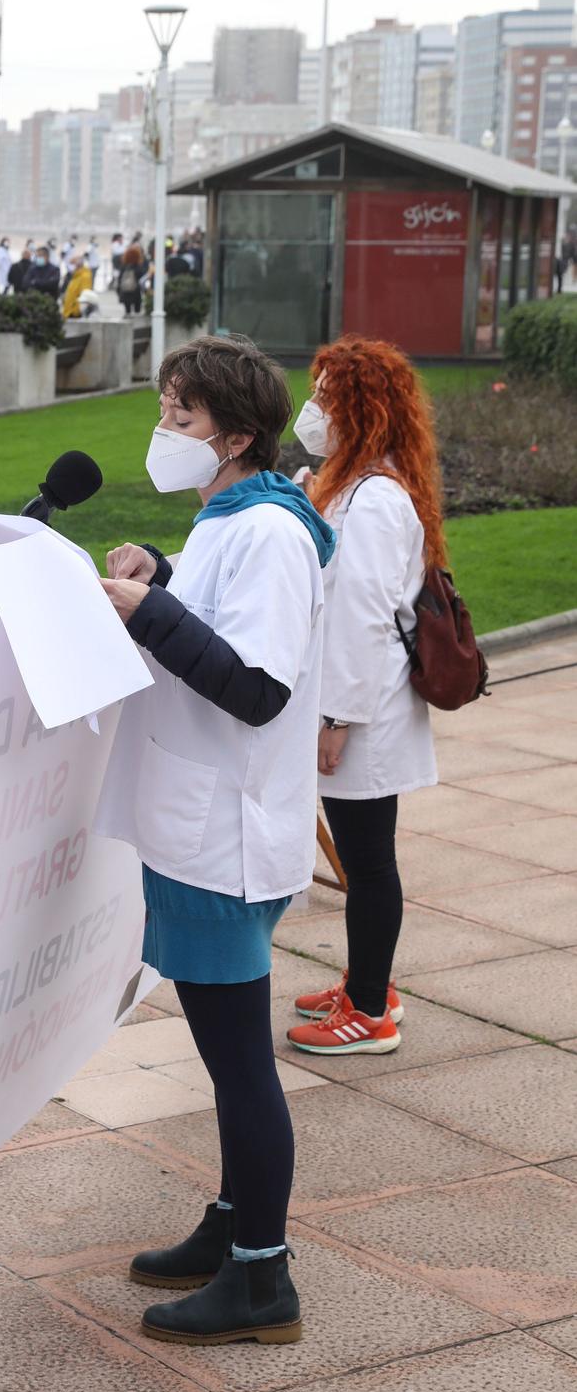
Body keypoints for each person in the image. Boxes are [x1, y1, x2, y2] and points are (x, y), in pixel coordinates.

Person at [98, 335, 335, 1347]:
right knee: (223, 1051)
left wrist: (149, 611)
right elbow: (214, 612)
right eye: (163, 411)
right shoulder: (229, 518)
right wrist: (162, 575)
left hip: (226, 834)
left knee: (239, 1061)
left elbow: (254, 684)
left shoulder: (272, 533)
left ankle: (259, 1274)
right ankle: (237, 1218)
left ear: (236, 435)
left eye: (181, 417)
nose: (164, 432)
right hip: (202, 825)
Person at [285, 337, 444, 1055]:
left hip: (363, 710)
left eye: (324, 395)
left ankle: (369, 1011)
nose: (312, 409)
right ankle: (365, 984)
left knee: (368, 861)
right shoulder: (356, 484)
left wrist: (335, 718)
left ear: (358, 407)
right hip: (358, 704)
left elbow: (359, 616)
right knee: (365, 855)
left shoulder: (375, 499)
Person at [116, 237, 145, 316]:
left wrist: (119, 291)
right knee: (137, 312)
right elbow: (141, 277)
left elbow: (119, 279)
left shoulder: (124, 266)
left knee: (127, 312)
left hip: (125, 291)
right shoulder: (138, 266)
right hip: (135, 291)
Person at [62, 254, 93, 319]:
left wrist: (77, 311)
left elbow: (85, 295)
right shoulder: (75, 276)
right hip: (69, 311)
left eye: (72, 263)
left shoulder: (85, 276)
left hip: (75, 312)